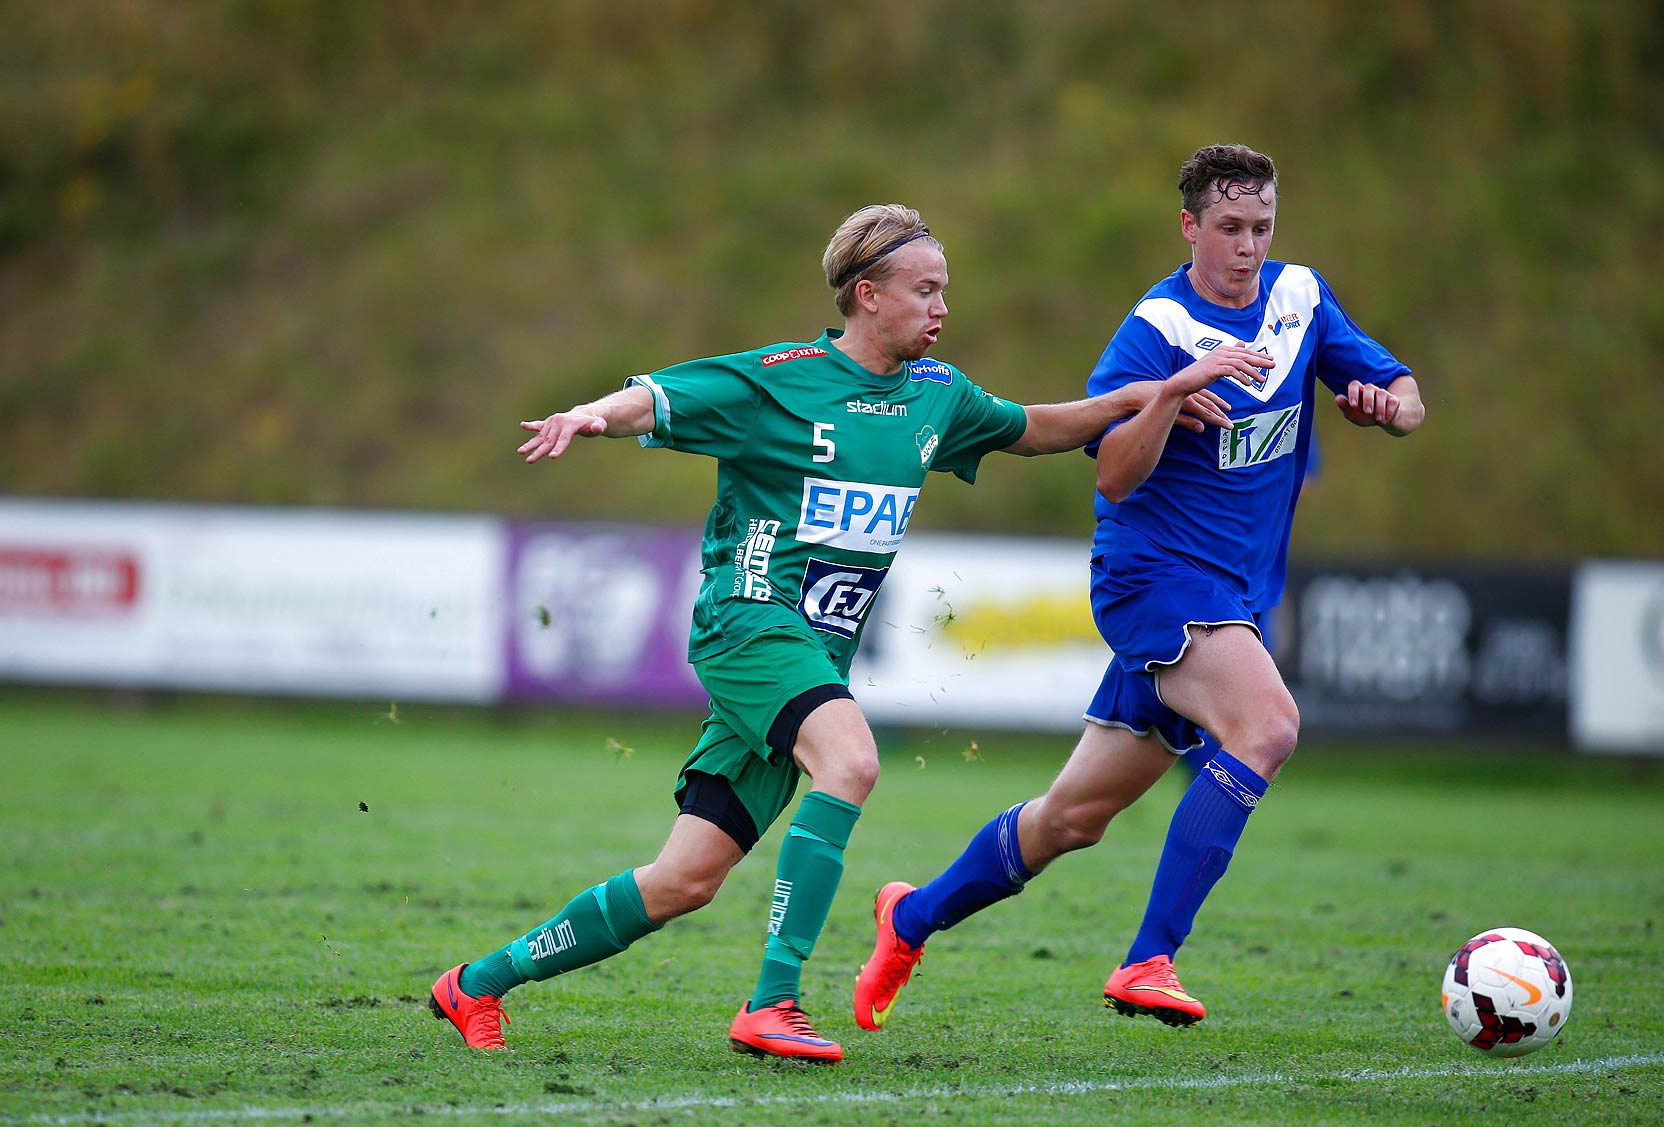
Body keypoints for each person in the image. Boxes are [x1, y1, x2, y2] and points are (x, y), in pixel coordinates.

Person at [429, 203, 1265, 1061]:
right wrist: (591, 416)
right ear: (867, 295)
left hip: (809, 656)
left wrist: (1157, 393)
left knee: (683, 881)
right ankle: (773, 1002)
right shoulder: (783, 378)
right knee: (852, 760)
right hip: (748, 622)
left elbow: (1043, 427)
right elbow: (659, 398)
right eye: (925, 290)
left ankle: (475, 985)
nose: (942, 308)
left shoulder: (938, 398)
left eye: (947, 291)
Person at [855, 145, 1424, 1035]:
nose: (1247, 246)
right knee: (1267, 727)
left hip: (1230, 597)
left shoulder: (1300, 299)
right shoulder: (1154, 331)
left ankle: (911, 917)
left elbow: (1407, 392)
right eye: (1229, 228)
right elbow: (1115, 477)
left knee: (1069, 820)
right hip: (1150, 579)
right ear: (1190, 227)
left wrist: (1385, 404)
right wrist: (1168, 395)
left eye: (1261, 228)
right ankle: (1150, 958)